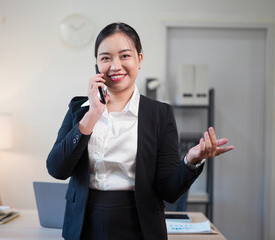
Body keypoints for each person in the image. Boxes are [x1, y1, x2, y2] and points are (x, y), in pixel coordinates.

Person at [46, 22, 234, 240]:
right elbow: (56, 169)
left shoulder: (160, 114)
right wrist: (92, 115)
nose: (115, 66)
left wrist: (191, 161)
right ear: (97, 64)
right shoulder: (79, 110)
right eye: (105, 58)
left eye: (124, 56)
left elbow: (168, 191)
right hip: (84, 224)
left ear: (139, 59)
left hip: (140, 225)